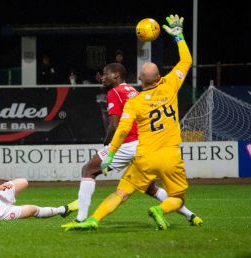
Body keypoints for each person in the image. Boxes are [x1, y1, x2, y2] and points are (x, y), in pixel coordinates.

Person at [69, 14, 200, 231]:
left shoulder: (118, 94)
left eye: (106, 75)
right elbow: (186, 61)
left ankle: (83, 217)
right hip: (153, 147)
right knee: (150, 187)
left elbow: (117, 126)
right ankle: (189, 214)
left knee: (89, 170)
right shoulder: (152, 88)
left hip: (134, 146)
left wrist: (108, 149)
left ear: (117, 76)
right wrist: (179, 37)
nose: (102, 78)